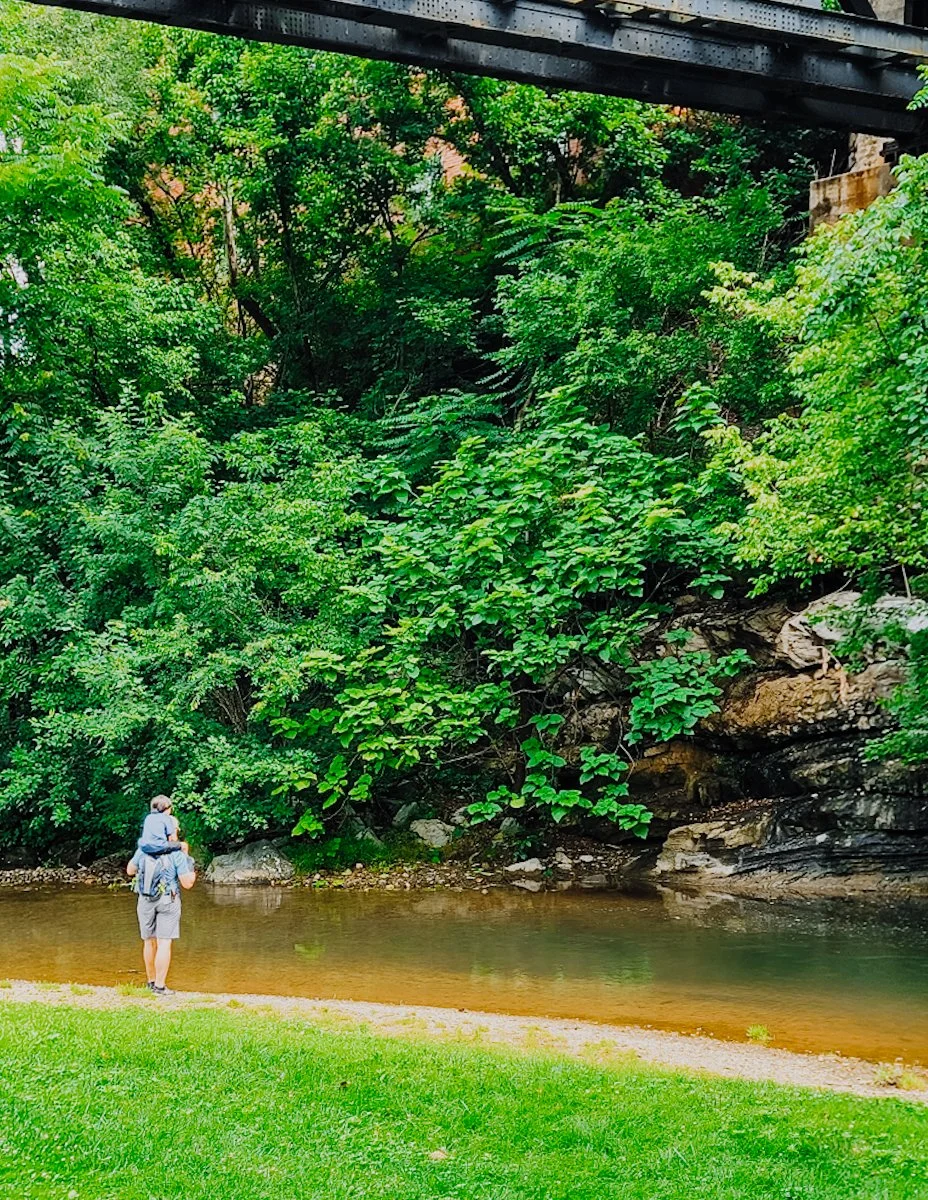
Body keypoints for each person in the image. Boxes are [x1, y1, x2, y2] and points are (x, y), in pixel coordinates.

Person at [126, 821, 196, 996]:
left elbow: (130, 870)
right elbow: (187, 883)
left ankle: (150, 982)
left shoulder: (143, 850)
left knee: (149, 941)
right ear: (170, 832)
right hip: (168, 900)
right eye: (176, 829)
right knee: (164, 942)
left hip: (145, 899)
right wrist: (188, 858)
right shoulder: (176, 853)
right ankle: (160, 986)